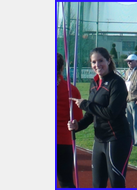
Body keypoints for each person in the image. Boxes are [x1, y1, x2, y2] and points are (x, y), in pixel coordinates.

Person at [68, 47, 132, 188]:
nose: (97, 65)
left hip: (117, 139)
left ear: (108, 60)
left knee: (116, 183)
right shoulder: (94, 83)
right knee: (97, 184)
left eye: (101, 61)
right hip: (99, 140)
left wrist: (85, 104)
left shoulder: (117, 83)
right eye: (93, 62)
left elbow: (111, 113)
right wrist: (78, 125)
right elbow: (92, 114)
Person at [57, 53, 83, 188]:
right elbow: (78, 118)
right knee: (66, 181)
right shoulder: (71, 90)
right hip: (63, 141)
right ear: (62, 69)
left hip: (63, 140)